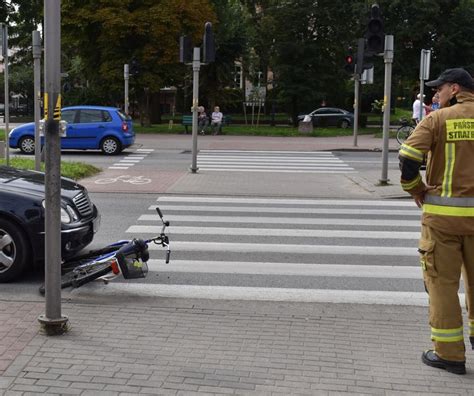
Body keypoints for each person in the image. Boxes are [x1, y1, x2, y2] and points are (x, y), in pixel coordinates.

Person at [399, 68, 474, 375]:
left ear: (454, 88)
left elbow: (408, 157)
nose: (436, 94)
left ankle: (450, 355)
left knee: (442, 285)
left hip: (443, 222)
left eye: (440, 89)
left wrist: (415, 189)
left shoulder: (438, 119)